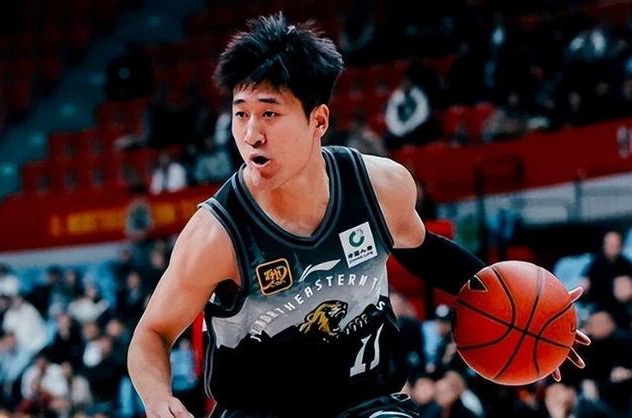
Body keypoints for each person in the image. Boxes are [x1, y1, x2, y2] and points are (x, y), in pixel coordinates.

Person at [127, 13, 590, 418]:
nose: (251, 135)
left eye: (269, 114)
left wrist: (535, 320)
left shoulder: (379, 186)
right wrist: (158, 399)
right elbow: (152, 333)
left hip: (365, 400)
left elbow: (422, 250)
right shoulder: (217, 234)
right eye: (240, 114)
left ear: (319, 121)